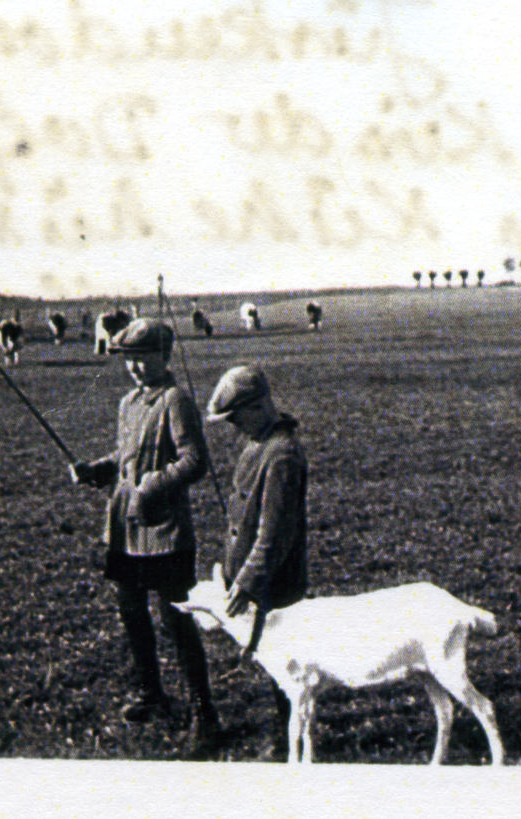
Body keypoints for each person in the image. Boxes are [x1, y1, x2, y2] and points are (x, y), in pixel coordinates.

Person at [70, 318, 221, 759]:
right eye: (129, 360)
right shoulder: (129, 403)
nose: (135, 368)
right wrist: (99, 469)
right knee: (132, 614)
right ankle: (152, 694)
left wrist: (152, 485)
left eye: (143, 359)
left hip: (165, 532)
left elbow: (195, 461)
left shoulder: (176, 400)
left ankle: (203, 712)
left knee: (177, 622)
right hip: (123, 527)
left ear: (163, 357)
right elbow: (127, 456)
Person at [206, 365, 308, 756]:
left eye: (236, 418)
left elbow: (274, 535)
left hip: (277, 585)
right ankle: (288, 737)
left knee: (287, 667)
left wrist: (248, 580)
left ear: (260, 406)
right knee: (272, 663)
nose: (234, 427)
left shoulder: (281, 455)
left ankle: (289, 743)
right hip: (259, 580)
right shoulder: (259, 444)